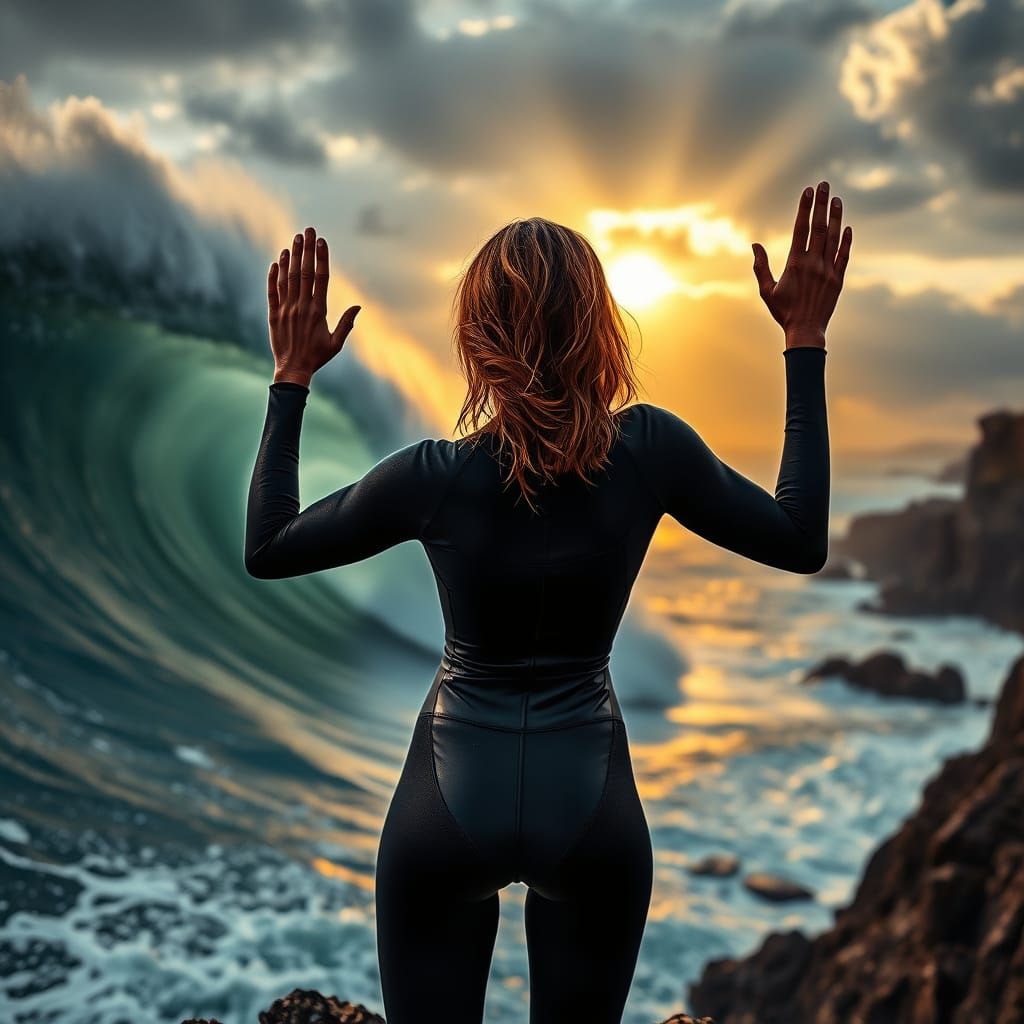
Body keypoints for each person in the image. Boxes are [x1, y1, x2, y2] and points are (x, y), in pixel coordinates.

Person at [244, 180, 850, 1024]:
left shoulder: (437, 475)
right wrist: (804, 339)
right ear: (602, 328)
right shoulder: (651, 451)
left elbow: (269, 547)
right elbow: (799, 535)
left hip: (448, 810)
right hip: (589, 809)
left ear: (477, 340)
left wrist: (291, 378)